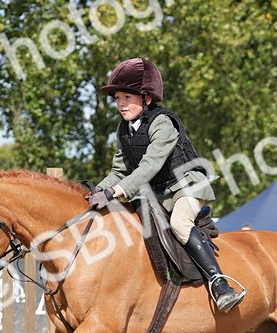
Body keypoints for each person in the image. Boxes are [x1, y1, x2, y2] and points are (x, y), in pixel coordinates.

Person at [87, 57, 246, 313]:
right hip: (159, 194)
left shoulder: (163, 122)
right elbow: (119, 170)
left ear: (146, 98)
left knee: (179, 223)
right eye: (116, 98)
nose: (120, 104)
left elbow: (149, 166)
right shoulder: (123, 129)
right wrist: (95, 191)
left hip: (187, 186)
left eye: (126, 97)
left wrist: (114, 192)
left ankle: (220, 284)